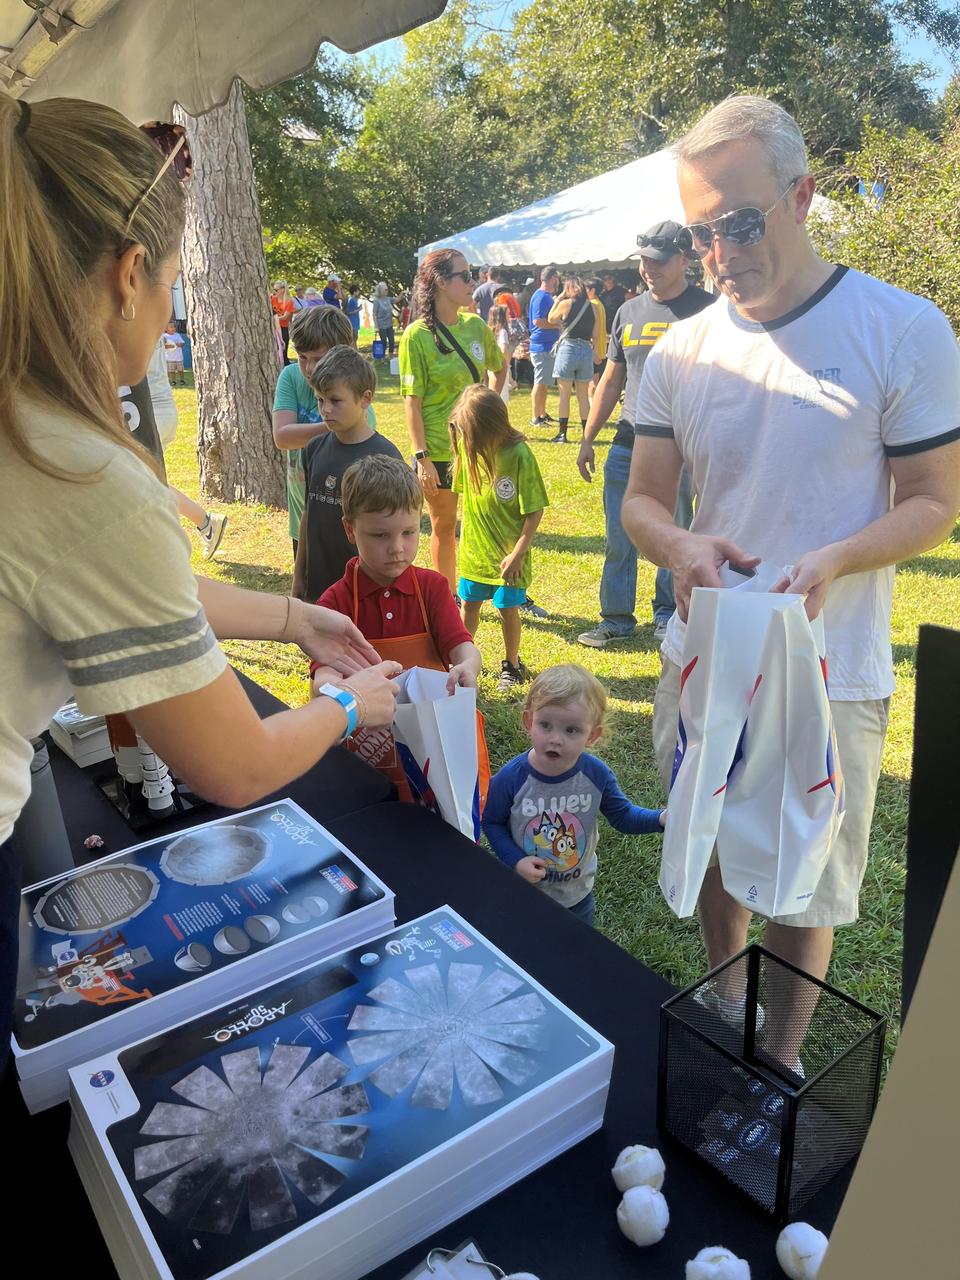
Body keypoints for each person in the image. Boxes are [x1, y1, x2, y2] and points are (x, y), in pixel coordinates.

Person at [0, 93, 402, 1052]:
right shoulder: (77, 471)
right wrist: (353, 708)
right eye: (176, 280)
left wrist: (291, 616)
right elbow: (235, 765)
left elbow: (119, 595)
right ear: (129, 274)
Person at [622, 94, 960, 1068]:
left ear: (805, 195)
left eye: (741, 220)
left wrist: (836, 558)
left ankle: (781, 1052)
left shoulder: (901, 328)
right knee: (721, 839)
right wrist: (680, 547)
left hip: (831, 661)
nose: (720, 250)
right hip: (708, 653)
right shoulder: (680, 349)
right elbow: (644, 500)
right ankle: (727, 996)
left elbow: (937, 497)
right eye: (701, 230)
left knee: (809, 873)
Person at [309, 456, 484, 798]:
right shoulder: (335, 603)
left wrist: (468, 667)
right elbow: (324, 676)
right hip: (363, 757)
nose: (397, 549)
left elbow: (462, 647)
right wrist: (331, 689)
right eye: (380, 535)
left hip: (431, 754)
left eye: (409, 532)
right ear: (350, 529)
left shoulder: (432, 588)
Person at [577, 221, 713, 648]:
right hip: (628, 440)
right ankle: (616, 618)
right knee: (620, 533)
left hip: (682, 444)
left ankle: (667, 614)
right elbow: (612, 380)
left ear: (685, 260)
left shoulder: (709, 311)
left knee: (673, 531)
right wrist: (587, 436)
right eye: (643, 260)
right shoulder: (628, 312)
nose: (647, 268)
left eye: (658, 260)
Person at [482, 665, 665, 928]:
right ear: (528, 721)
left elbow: (623, 816)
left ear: (592, 735)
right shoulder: (513, 778)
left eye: (571, 730)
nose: (556, 739)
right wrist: (516, 860)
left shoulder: (596, 775)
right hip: (522, 893)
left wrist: (660, 819)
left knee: (574, 955)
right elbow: (492, 822)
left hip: (577, 897)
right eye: (545, 725)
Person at [398, 247, 506, 593]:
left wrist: (486, 409)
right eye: (465, 276)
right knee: (444, 527)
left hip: (480, 446)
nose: (472, 282)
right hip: (440, 451)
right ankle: (446, 597)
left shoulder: (475, 326)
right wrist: (422, 457)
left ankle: (499, 588)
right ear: (442, 283)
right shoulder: (417, 336)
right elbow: (411, 404)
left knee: (490, 521)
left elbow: (499, 368)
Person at [451, 385, 547, 691]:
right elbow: (466, 501)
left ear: (492, 426)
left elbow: (534, 510)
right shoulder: (469, 450)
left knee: (507, 609)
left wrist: (518, 552)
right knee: (469, 606)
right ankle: (462, 661)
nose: (468, 439)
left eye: (472, 433)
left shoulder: (519, 454)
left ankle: (512, 664)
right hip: (474, 556)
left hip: (509, 559)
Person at [293, 346, 403, 604]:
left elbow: (395, 530)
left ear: (365, 398)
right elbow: (308, 515)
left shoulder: (385, 456)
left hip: (366, 592)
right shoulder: (314, 449)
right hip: (318, 590)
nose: (325, 409)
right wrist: (300, 576)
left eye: (335, 400)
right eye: (320, 400)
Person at [272, 305, 354, 560]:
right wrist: (335, 424)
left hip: (349, 523)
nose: (308, 368)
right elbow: (282, 436)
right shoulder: (290, 376)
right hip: (303, 520)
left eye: (318, 359)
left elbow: (358, 439)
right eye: (302, 357)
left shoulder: (355, 384)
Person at [146, 336, 228, 559]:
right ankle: (205, 523)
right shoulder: (147, 319)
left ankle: (203, 523)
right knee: (148, 480)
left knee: (145, 482)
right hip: (158, 409)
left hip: (148, 412)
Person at [546, 276, 595, 444]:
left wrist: (559, 298)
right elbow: (595, 333)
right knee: (583, 396)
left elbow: (551, 318)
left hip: (569, 348)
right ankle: (586, 435)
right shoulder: (592, 306)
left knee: (564, 394)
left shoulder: (565, 304)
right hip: (586, 349)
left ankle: (562, 434)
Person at [528, 265, 560, 429]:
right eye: (557, 278)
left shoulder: (544, 296)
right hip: (541, 346)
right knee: (540, 382)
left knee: (544, 382)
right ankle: (535, 418)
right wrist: (558, 326)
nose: (558, 281)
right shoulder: (541, 297)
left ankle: (542, 413)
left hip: (546, 345)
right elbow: (538, 321)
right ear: (553, 277)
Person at [585, 278, 608, 393]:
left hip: (594, 348)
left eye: (585, 289)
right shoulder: (599, 303)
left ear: (592, 290)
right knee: (595, 381)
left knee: (592, 384)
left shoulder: (592, 304)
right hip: (600, 347)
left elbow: (592, 328)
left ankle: (592, 408)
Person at [487, 303, 513, 403]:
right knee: (502, 397)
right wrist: (507, 365)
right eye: (507, 314)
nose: (509, 316)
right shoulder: (503, 332)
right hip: (501, 366)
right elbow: (503, 349)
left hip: (491, 366)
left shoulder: (489, 331)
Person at [270, 279, 294, 364]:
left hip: (283, 328)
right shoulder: (272, 299)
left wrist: (275, 318)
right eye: (274, 290)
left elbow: (285, 316)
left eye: (276, 290)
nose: (274, 291)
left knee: (283, 352)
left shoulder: (289, 301)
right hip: (274, 327)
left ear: (282, 289)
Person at [372, 282, 396, 356]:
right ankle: (382, 357)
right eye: (385, 289)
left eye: (387, 289)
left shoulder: (388, 299)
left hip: (389, 324)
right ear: (380, 290)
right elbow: (374, 314)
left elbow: (396, 300)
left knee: (392, 341)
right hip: (381, 325)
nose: (386, 291)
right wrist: (376, 326)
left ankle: (391, 357)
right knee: (383, 342)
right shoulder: (376, 301)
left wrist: (402, 293)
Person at [162, 321, 185, 386]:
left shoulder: (177, 335)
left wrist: (179, 344)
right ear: (166, 329)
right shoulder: (165, 336)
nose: (173, 328)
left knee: (180, 370)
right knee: (171, 370)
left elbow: (182, 343)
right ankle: (173, 381)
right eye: (171, 327)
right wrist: (172, 346)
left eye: (174, 327)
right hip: (170, 357)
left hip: (178, 357)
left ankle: (182, 380)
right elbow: (164, 346)